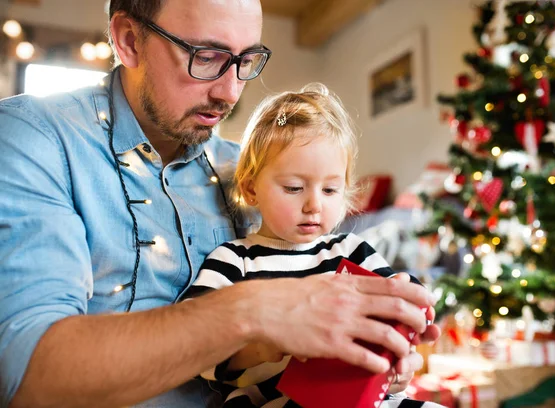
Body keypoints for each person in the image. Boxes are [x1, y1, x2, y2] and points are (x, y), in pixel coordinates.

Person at [0, 0, 440, 407]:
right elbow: (23, 374)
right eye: (206, 58)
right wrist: (254, 310)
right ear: (129, 40)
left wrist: (379, 352)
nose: (230, 93)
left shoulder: (247, 170)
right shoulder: (34, 138)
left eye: (245, 61)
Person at [187, 83, 437, 408]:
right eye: (294, 188)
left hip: (357, 394)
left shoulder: (350, 250)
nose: (313, 205)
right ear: (250, 189)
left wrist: (408, 306)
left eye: (331, 190)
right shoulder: (235, 261)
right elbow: (197, 346)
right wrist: (266, 345)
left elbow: (398, 300)